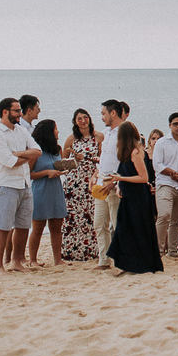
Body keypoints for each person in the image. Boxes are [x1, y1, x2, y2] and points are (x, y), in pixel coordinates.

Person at [0, 97, 41, 272]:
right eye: (17, 111)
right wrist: (26, 156)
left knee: (23, 226)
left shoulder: (20, 130)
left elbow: (37, 151)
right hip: (6, 185)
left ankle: (17, 261)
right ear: (5, 112)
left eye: (20, 110)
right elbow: (9, 161)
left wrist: (20, 154)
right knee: (3, 227)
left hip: (24, 183)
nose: (20, 114)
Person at [105, 122, 164, 274]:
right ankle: (128, 264)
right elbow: (122, 174)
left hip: (138, 197)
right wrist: (119, 186)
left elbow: (143, 178)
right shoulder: (125, 152)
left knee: (138, 230)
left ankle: (142, 264)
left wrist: (121, 180)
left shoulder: (136, 152)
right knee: (125, 230)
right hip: (128, 196)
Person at [60, 108, 102, 262]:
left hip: (91, 180)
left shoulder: (98, 137)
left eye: (85, 117)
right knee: (73, 217)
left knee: (91, 216)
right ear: (75, 122)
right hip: (74, 182)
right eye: (79, 118)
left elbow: (103, 161)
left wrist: (87, 159)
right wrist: (75, 160)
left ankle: (93, 251)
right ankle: (71, 251)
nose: (83, 121)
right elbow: (63, 165)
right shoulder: (71, 139)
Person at [152, 112, 178, 258]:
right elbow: (157, 164)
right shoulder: (161, 143)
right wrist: (172, 173)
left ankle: (172, 251)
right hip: (166, 183)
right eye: (175, 124)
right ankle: (158, 250)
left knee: (176, 220)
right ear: (170, 125)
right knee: (164, 215)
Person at [27, 120, 67, 267]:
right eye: (56, 129)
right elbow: (29, 174)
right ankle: (33, 260)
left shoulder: (58, 149)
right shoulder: (35, 152)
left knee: (57, 227)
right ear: (49, 133)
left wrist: (64, 168)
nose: (58, 132)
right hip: (40, 190)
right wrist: (46, 172)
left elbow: (59, 165)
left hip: (56, 189)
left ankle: (58, 259)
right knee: (37, 227)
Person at [93, 99, 125, 270]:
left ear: (113, 113)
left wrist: (115, 180)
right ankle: (104, 259)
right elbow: (105, 157)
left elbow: (125, 160)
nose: (102, 117)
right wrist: (96, 174)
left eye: (103, 113)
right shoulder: (107, 133)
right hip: (101, 182)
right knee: (99, 223)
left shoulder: (124, 132)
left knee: (117, 223)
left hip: (115, 183)